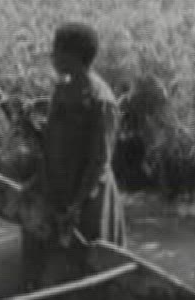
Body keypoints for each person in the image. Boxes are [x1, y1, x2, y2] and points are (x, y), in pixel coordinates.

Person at [23, 23, 127, 250]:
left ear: (73, 56)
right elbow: (53, 144)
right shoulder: (63, 89)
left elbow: (99, 161)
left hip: (89, 198)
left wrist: (77, 205)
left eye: (56, 50)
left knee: (90, 254)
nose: (52, 56)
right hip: (60, 190)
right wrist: (39, 180)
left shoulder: (101, 101)